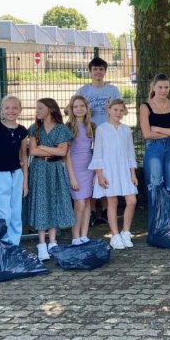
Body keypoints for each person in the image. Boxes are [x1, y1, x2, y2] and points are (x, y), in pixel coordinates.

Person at [26, 98, 76, 261]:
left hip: (55, 169)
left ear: (51, 109)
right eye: (37, 108)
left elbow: (62, 153)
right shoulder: (34, 128)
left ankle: (53, 242)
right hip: (39, 169)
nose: (37, 111)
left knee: (53, 201)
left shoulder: (62, 129)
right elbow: (32, 151)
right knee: (41, 203)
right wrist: (52, 149)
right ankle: (41, 244)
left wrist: (42, 147)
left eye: (40, 108)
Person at [90, 99, 139, 250]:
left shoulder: (126, 130)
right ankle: (115, 235)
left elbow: (130, 153)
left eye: (121, 110)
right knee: (112, 202)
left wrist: (133, 173)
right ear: (109, 110)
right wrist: (99, 175)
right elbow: (97, 153)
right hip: (108, 170)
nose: (118, 113)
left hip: (124, 170)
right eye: (115, 109)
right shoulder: (101, 129)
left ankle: (126, 232)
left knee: (132, 201)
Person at [0, 95, 29, 245]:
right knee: (3, 213)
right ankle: (1, 245)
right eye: (7, 108)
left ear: (20, 110)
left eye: (14, 108)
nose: (11, 111)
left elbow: (23, 156)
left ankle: (13, 246)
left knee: (16, 212)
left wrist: (25, 182)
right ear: (2, 110)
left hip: (16, 174)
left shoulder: (22, 130)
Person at [139, 74, 170, 204]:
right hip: (153, 148)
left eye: (166, 87)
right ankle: (156, 218)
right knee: (154, 185)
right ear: (153, 87)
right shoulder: (145, 107)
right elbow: (147, 134)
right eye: (160, 87)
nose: (163, 90)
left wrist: (157, 129)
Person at [63, 95, 96, 245]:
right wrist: (72, 177)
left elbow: (96, 151)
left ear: (87, 108)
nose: (79, 109)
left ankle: (84, 235)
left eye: (82, 106)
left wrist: (96, 173)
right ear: (71, 109)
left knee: (87, 202)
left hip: (89, 168)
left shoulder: (92, 126)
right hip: (74, 169)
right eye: (76, 106)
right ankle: (75, 237)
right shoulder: (68, 127)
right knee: (79, 203)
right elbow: (66, 153)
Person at [77, 56, 122, 126]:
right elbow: (67, 111)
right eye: (95, 69)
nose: (98, 71)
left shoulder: (113, 90)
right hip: (88, 129)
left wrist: (111, 111)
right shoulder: (82, 91)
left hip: (109, 128)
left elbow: (125, 111)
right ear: (90, 72)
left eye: (101, 69)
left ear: (105, 72)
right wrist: (84, 112)